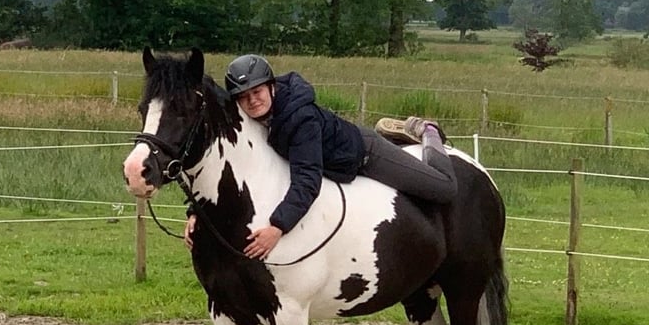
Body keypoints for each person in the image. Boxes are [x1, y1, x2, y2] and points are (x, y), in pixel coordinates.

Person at [184, 54, 457, 260]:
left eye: (257, 92)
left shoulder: (300, 119)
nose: (252, 101)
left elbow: (307, 179)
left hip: (364, 154)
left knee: (444, 188)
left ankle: (425, 129)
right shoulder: (250, 120)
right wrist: (195, 210)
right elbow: (227, 169)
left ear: (271, 87)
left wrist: (278, 227)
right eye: (243, 97)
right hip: (330, 156)